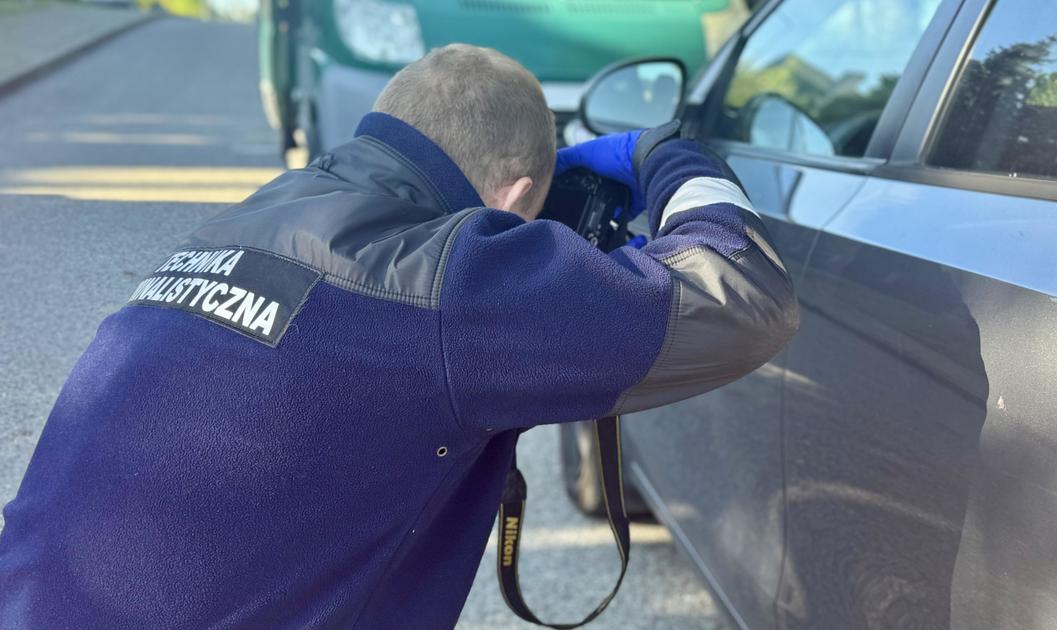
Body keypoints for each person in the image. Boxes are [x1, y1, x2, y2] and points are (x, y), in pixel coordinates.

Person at [0, 44, 798, 628]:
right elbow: (742, 296)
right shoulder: (449, 279)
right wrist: (668, 159)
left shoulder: (265, 208)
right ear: (516, 194)